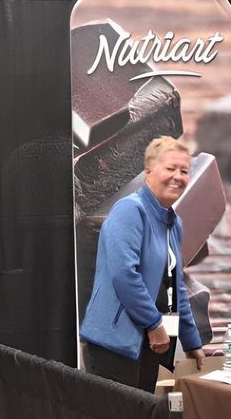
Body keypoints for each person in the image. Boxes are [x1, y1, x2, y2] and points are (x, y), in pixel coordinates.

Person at [79, 136, 215, 391]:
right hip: (116, 348)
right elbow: (124, 275)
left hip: (156, 346)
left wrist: (192, 341)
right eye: (170, 168)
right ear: (149, 171)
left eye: (184, 171)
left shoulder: (174, 223)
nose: (178, 176)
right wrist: (153, 324)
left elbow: (176, 286)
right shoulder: (129, 211)